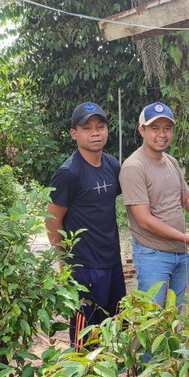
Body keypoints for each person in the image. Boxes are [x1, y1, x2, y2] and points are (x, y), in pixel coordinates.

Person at [46, 101, 125, 349]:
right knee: (86, 333)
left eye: (100, 126)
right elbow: (52, 220)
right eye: (87, 128)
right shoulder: (68, 173)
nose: (95, 132)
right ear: (74, 133)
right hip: (84, 267)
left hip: (112, 261)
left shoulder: (112, 165)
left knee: (114, 326)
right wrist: (63, 261)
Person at [119, 101, 189, 306]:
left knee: (178, 317)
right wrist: (187, 237)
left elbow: (187, 202)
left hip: (180, 253)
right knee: (152, 319)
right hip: (153, 255)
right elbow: (144, 221)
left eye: (167, 128)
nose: (162, 134)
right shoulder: (134, 167)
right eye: (154, 128)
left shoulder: (171, 162)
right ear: (141, 130)